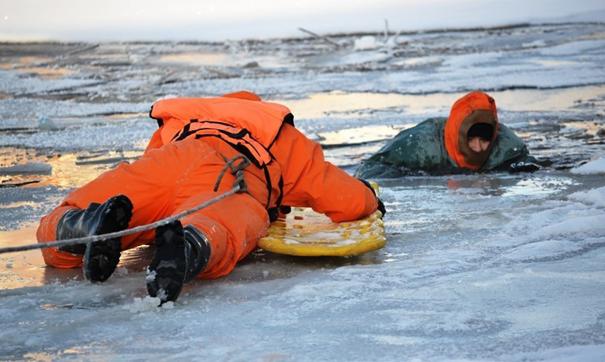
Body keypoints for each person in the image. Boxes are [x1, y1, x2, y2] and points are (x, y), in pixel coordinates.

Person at [36, 91, 385, 304]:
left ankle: (81, 226)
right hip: (229, 174)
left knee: (115, 206)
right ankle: (188, 247)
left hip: (167, 160)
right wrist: (369, 197)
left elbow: (159, 177)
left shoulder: (185, 119)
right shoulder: (283, 137)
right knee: (227, 218)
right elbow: (347, 200)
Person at [355, 91, 540, 179]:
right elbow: (368, 170)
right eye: (471, 139)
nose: (477, 147)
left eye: (484, 140)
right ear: (459, 135)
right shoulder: (420, 145)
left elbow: (527, 161)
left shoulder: (506, 145)